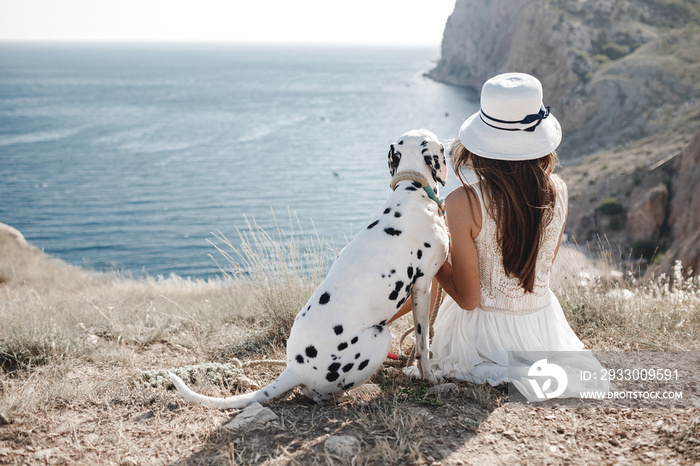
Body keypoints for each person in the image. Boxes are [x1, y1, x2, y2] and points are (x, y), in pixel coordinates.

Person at [392, 72, 608, 401]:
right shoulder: (559, 191)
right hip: (541, 331)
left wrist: (434, 257)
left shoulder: (464, 203)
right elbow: (541, 268)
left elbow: (468, 300)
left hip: (482, 339)